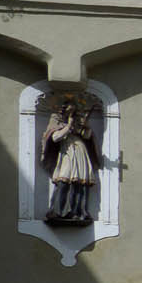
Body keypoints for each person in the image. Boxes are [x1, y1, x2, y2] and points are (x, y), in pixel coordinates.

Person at [41, 93, 100, 226]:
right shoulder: (57, 120)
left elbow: (87, 136)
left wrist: (86, 126)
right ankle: (58, 211)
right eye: (69, 107)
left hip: (80, 150)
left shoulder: (80, 120)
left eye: (73, 108)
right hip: (67, 152)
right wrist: (68, 126)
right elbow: (55, 137)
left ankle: (78, 212)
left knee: (80, 181)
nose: (71, 110)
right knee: (64, 180)